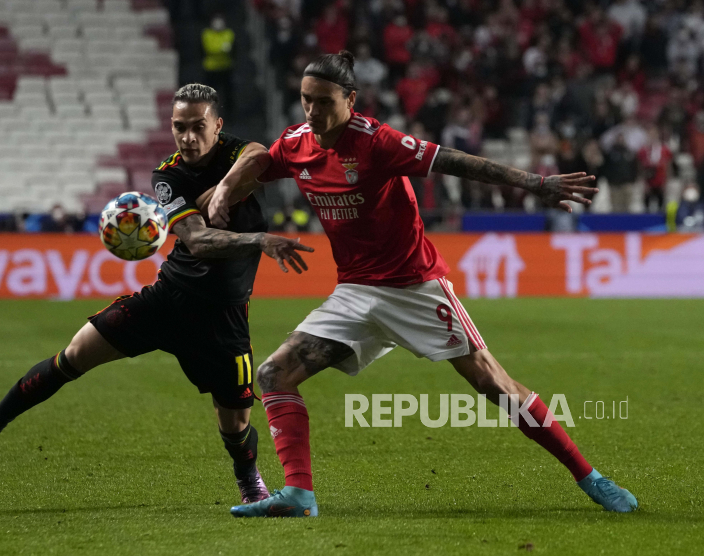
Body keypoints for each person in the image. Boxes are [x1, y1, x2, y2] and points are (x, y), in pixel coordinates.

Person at [208, 52, 638, 517]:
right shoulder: (297, 143)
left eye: (323, 101)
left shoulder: (378, 143)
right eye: (305, 100)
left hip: (416, 287)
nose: (312, 111)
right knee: (273, 375)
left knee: (493, 384)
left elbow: (456, 162)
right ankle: (299, 495)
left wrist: (535, 183)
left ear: (350, 100)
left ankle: (589, 476)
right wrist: (224, 191)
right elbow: (258, 158)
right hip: (355, 292)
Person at [0, 84, 314, 505]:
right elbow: (198, 240)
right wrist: (257, 239)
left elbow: (259, 154)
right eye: (178, 127)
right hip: (168, 299)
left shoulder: (236, 154)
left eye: (197, 127)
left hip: (223, 318)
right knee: (74, 355)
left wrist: (226, 188)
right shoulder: (168, 176)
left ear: (218, 126)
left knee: (235, 423)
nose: (187, 137)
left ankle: (247, 480)